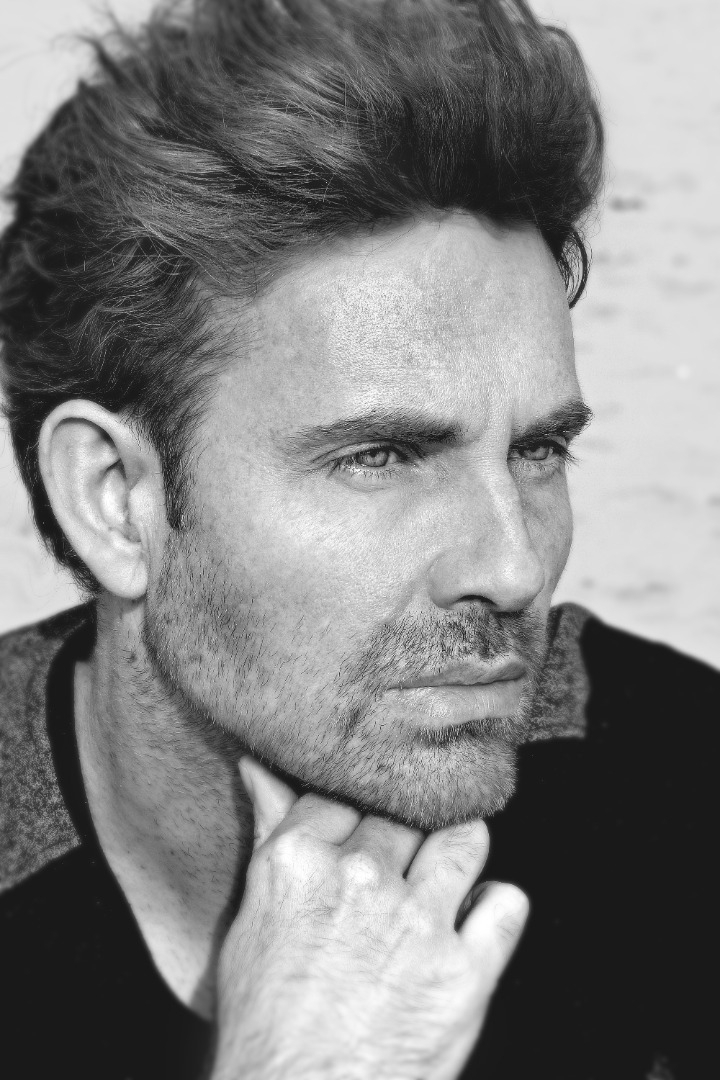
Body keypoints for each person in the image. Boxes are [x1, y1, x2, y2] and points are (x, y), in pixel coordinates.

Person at [0, 1, 716, 1077]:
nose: (514, 567)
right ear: (113, 500)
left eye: (537, 451)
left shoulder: (683, 792)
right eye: (381, 458)